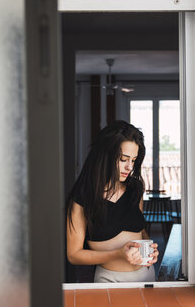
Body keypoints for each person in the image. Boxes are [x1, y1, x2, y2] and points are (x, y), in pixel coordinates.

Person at [66, 120, 159, 282]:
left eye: (133, 160)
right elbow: (74, 255)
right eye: (124, 159)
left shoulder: (135, 188)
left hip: (147, 274)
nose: (130, 167)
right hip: (110, 280)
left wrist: (149, 247)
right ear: (106, 156)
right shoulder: (83, 196)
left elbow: (140, 229)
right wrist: (118, 254)